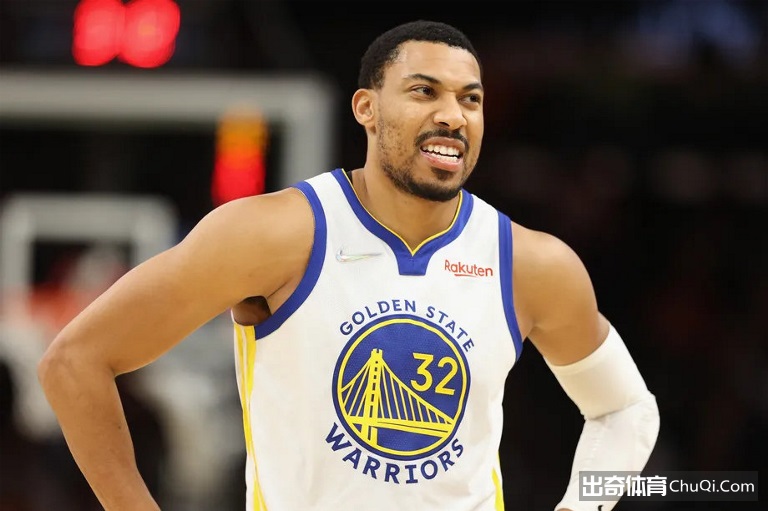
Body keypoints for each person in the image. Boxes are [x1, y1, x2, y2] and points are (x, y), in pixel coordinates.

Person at [38, 20, 660, 511]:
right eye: (424, 91)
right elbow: (73, 362)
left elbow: (627, 411)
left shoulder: (531, 262)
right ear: (366, 107)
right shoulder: (272, 234)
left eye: (470, 99)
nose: (452, 114)